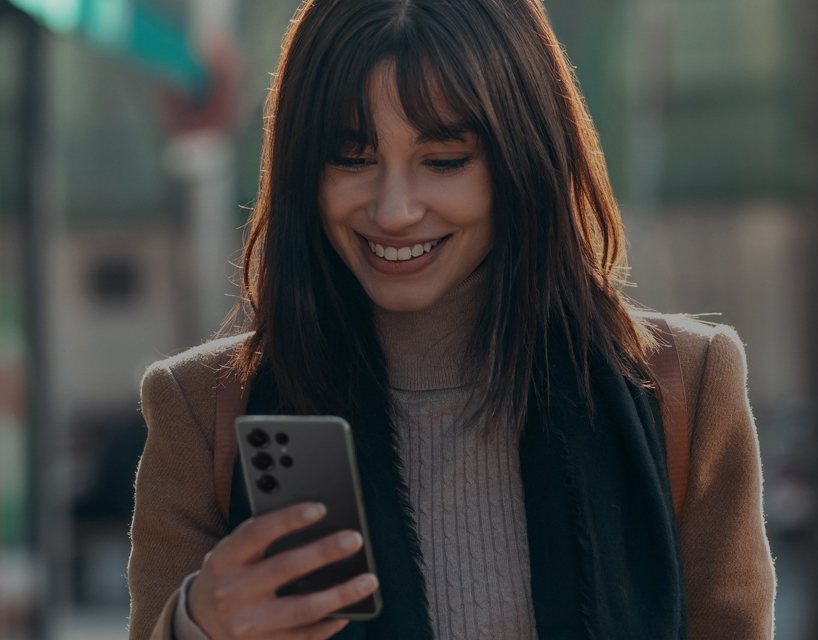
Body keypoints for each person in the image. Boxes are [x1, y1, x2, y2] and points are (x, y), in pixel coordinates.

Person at [126, 1, 777, 639]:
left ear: (522, 159)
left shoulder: (686, 386)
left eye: (444, 160)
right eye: (352, 158)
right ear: (302, 167)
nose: (395, 210)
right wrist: (196, 628)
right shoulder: (203, 408)